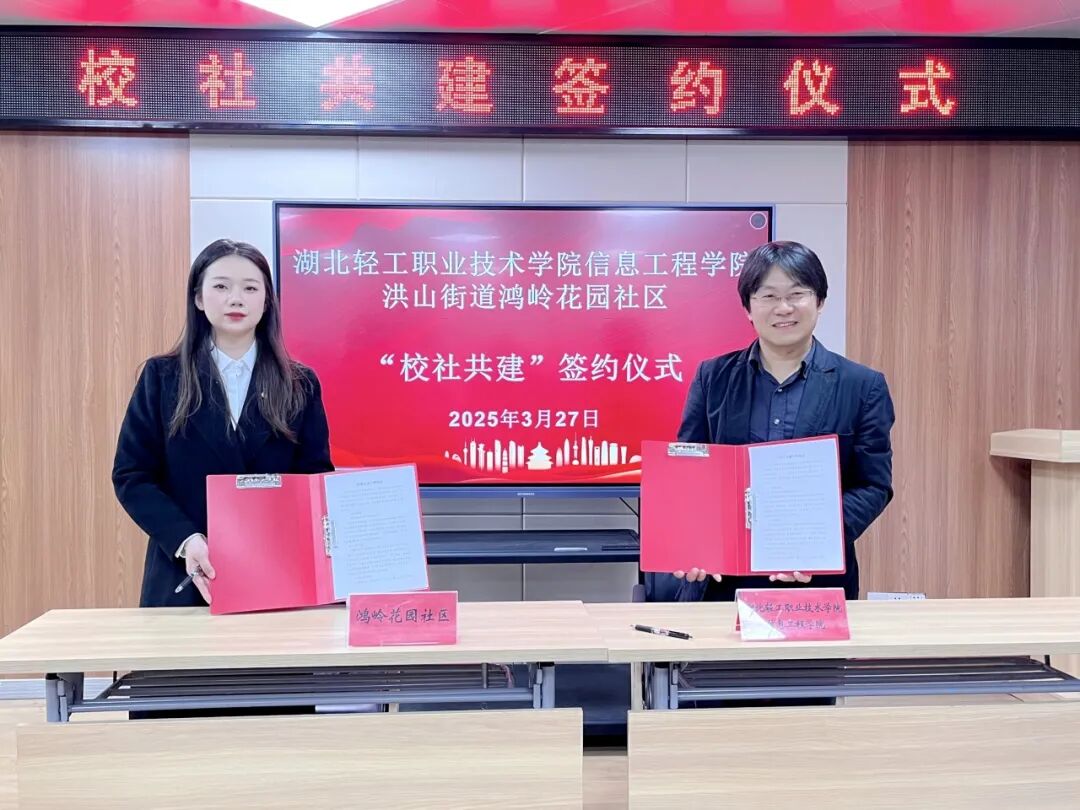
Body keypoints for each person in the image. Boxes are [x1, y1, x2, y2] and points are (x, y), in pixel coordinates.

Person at [658, 240, 894, 603]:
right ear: (748, 308)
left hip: (814, 582)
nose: (783, 308)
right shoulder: (713, 377)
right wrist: (692, 542)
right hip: (721, 585)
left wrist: (818, 541)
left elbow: (872, 485)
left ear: (820, 301)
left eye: (797, 294)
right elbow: (691, 473)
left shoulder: (862, 386)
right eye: (768, 296)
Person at [113, 239, 333, 608]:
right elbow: (131, 475)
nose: (236, 299)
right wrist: (185, 539)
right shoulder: (163, 377)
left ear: (267, 301)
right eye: (221, 286)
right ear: (198, 298)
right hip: (184, 576)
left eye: (250, 288)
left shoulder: (300, 384)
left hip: (275, 575)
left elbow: (315, 479)